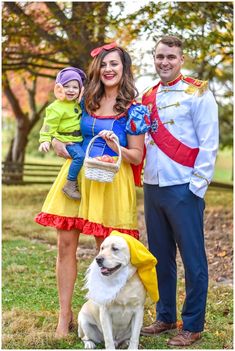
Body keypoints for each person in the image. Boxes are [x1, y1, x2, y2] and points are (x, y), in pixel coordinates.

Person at [35, 42, 150, 338]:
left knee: (109, 252)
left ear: (124, 69)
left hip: (111, 181)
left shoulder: (134, 111)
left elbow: (137, 156)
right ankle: (64, 317)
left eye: (115, 64)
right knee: (65, 245)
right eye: (104, 64)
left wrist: (117, 147)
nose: (109, 69)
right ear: (97, 69)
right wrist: (59, 145)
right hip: (78, 176)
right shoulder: (84, 100)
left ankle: (110, 319)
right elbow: (61, 127)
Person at [141, 35, 219, 346]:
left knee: (193, 259)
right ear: (154, 58)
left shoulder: (197, 92)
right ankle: (165, 316)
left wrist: (197, 187)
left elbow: (209, 142)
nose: (165, 62)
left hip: (184, 187)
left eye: (171, 57)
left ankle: (193, 324)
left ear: (181, 59)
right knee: (160, 257)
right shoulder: (147, 96)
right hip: (153, 185)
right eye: (160, 56)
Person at [39, 67, 86, 200]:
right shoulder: (56, 107)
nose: (71, 90)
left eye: (75, 87)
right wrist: (45, 139)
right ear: (59, 88)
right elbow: (48, 125)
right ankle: (70, 184)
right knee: (79, 157)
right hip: (67, 140)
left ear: (80, 90)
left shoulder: (78, 103)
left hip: (80, 138)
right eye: (66, 86)